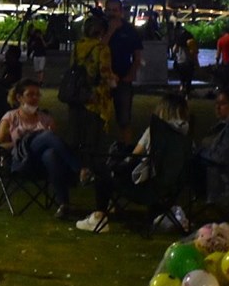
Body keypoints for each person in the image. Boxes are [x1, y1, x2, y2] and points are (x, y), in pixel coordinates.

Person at [77, 93, 190, 233]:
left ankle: (99, 217)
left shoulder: (156, 132)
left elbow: (133, 157)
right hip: (170, 189)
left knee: (103, 172)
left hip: (146, 189)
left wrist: (116, 165)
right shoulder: (184, 135)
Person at [0, 78, 86, 219]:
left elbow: (56, 145)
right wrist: (22, 142)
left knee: (50, 153)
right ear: (19, 97)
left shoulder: (46, 118)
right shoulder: (10, 117)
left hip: (43, 164)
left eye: (37, 94)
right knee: (46, 135)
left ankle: (64, 206)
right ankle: (80, 169)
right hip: (20, 160)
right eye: (30, 94)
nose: (35, 98)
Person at [68, 16, 115, 167]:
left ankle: (76, 166)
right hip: (95, 96)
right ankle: (91, 167)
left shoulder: (78, 46)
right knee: (94, 135)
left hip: (77, 93)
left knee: (77, 133)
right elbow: (105, 72)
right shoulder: (102, 48)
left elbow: (72, 68)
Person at [193, 88, 229, 211]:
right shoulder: (226, 126)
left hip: (219, 177)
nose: (217, 108)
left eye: (222, 104)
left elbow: (222, 156)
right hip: (214, 172)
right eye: (216, 104)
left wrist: (199, 153)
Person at [103, 0, 143, 145]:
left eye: (115, 10)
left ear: (121, 12)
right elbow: (98, 48)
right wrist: (111, 31)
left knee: (124, 119)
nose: (112, 13)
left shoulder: (130, 30)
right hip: (103, 79)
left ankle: (126, 150)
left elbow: (137, 55)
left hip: (123, 78)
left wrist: (131, 74)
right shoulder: (100, 27)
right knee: (100, 117)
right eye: (109, 10)